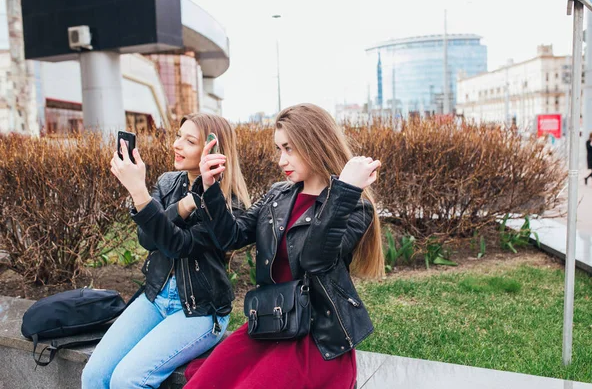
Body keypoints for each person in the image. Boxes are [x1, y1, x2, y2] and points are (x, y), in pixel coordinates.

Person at [184, 103, 384, 389]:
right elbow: (232, 236)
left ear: (314, 144)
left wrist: (345, 192)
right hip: (269, 321)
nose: (281, 160)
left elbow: (314, 260)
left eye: (289, 148)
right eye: (279, 149)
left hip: (315, 337)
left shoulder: (353, 208)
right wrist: (210, 187)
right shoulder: (279, 195)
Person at [81, 114, 251, 389]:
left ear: (212, 150)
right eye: (179, 136)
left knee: (127, 380)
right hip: (155, 298)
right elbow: (147, 239)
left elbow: (178, 245)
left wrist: (139, 192)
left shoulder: (227, 203)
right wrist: (183, 205)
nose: (177, 144)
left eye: (189, 140)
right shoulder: (168, 182)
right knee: (93, 376)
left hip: (199, 311)